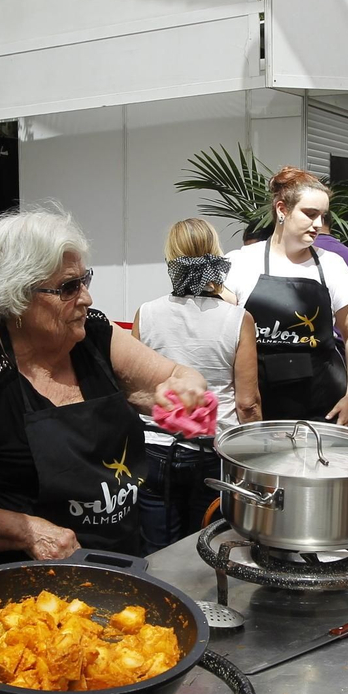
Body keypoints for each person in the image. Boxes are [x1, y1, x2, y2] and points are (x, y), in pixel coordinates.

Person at [0, 208, 209, 566]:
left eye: (85, 280)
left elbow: (178, 376)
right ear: (17, 294)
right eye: (68, 287)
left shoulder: (95, 336)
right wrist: (26, 530)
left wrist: (187, 392)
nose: (87, 298)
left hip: (122, 564)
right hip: (27, 591)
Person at [132, 218, 261, 551]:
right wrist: (258, 458)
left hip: (154, 449)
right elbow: (248, 404)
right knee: (206, 548)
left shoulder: (145, 314)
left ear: (170, 261)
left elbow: (132, 389)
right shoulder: (238, 319)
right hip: (213, 453)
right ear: (217, 258)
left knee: (157, 552)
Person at [223, 167, 348, 423]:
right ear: (282, 209)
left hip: (323, 411)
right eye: (310, 214)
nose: (318, 225)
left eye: (322, 216)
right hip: (258, 414)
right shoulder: (240, 263)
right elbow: (221, 338)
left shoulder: (332, 266)